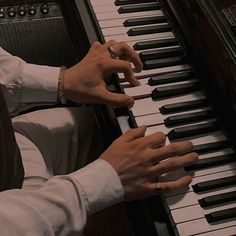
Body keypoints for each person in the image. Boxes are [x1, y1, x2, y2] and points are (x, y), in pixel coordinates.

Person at [0, 40, 198, 236]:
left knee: (113, 127)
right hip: (13, 216)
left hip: (11, 146)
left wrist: (61, 80)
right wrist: (107, 178)